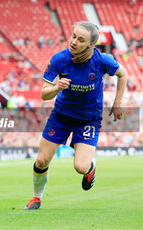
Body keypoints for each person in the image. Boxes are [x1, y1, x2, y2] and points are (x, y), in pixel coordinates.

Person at [25, 21, 127, 210]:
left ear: (91, 45)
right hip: (61, 116)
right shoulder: (59, 59)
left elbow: (123, 73)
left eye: (80, 40)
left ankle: (90, 167)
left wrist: (117, 103)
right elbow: (43, 93)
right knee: (41, 161)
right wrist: (56, 87)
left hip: (89, 118)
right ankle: (36, 198)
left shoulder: (102, 60)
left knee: (81, 167)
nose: (73, 42)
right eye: (73, 36)